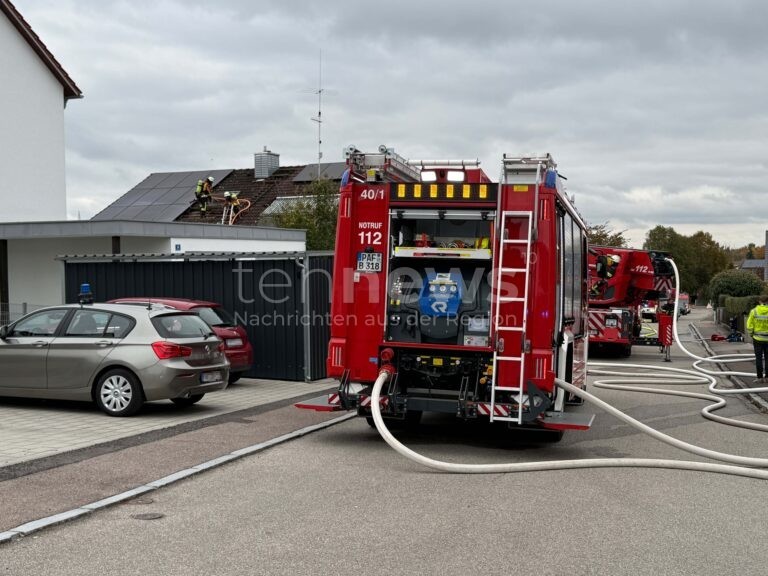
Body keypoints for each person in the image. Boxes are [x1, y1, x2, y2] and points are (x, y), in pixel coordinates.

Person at [746, 295, 768, 383]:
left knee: (758, 358)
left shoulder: (754, 311)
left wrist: (751, 334)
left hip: (757, 339)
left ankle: (759, 378)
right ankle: (767, 377)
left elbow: (749, 325)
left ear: (759, 301)